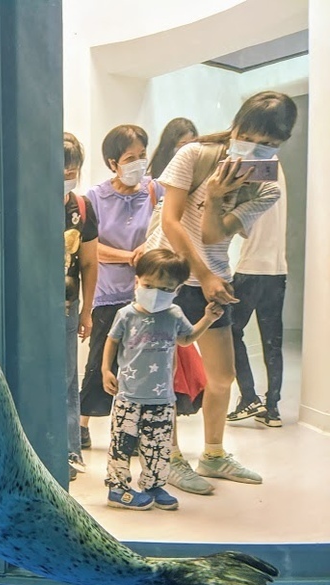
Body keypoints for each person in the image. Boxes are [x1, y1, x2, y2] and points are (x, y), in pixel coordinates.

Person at [140, 91, 296, 494]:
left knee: (222, 376)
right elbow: (172, 222)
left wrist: (214, 198)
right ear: (238, 126)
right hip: (170, 275)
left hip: (214, 280)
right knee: (165, 374)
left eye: (271, 144)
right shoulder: (193, 155)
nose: (258, 148)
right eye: (252, 136)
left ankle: (212, 455)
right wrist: (203, 273)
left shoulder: (268, 187)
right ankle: (169, 458)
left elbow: (213, 233)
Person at [102, 249, 223, 510]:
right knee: (122, 444)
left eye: (165, 288)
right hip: (128, 396)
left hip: (162, 398)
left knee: (158, 446)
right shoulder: (127, 315)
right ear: (137, 281)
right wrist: (106, 370)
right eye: (148, 285)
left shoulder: (174, 315)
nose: (155, 293)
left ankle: (154, 484)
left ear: (177, 290)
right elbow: (112, 340)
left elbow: (186, 339)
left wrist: (208, 318)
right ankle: (117, 487)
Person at [79, 125, 158, 450]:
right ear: (113, 162)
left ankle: (132, 429)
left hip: (145, 296)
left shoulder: (155, 192)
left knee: (138, 365)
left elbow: (164, 231)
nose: (138, 163)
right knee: (100, 360)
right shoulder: (95, 198)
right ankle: (81, 424)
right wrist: (130, 256)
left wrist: (148, 254)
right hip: (108, 295)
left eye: (142, 156)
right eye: (130, 158)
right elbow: (91, 249)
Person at [227, 165, 288, 428]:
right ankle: (272, 408)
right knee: (273, 342)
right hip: (277, 271)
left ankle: (248, 398)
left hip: (250, 269)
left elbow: (241, 226)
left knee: (230, 331)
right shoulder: (277, 169)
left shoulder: (254, 167)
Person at [62, 132, 98, 482]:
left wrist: (87, 310)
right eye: (62, 170)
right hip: (31, 307)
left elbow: (89, 263)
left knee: (68, 378)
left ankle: (69, 452)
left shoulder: (82, 208)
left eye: (73, 171)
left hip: (67, 308)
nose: (67, 177)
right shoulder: (28, 203)